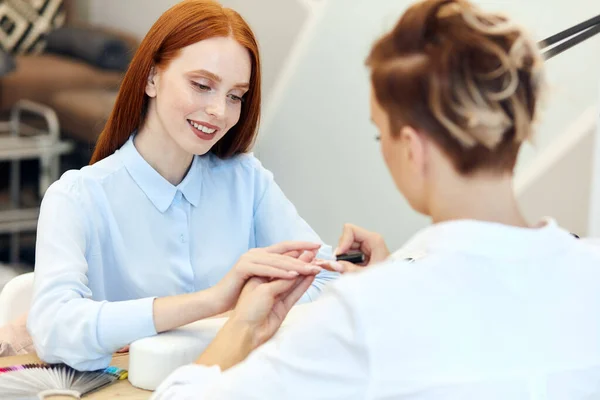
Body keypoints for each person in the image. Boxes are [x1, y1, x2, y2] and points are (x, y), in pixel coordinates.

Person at [151, 0, 600, 398]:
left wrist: (243, 326)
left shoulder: (365, 317)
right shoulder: (589, 273)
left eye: (378, 132)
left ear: (412, 147)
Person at [26, 0, 339, 371]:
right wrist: (214, 302)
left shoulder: (246, 180)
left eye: (235, 96)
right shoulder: (77, 197)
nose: (220, 112)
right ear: (151, 78)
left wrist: (241, 316)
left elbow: (325, 278)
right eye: (202, 85)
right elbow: (53, 330)